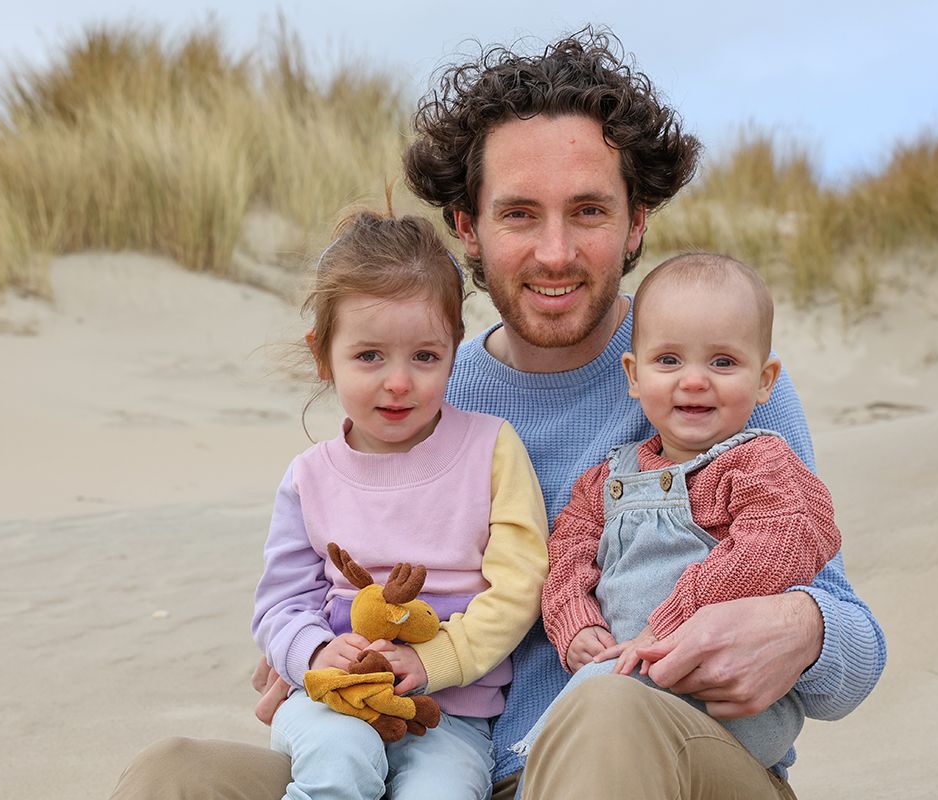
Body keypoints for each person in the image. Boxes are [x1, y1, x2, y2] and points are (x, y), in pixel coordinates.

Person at [107, 27, 885, 800]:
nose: (555, 252)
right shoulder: (423, 392)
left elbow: (854, 658)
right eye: (519, 215)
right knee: (174, 776)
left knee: (608, 708)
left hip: (671, 764)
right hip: (444, 762)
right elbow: (321, 588)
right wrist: (316, 651)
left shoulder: (716, 383)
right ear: (468, 227)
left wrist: (805, 629)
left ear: (636, 222)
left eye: (587, 211)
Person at [249, 208, 548, 800]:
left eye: (425, 357)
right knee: (340, 764)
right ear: (322, 355)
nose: (398, 382)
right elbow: (280, 604)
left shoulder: (491, 449)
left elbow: (519, 585)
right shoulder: (309, 478)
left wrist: (434, 660)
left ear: (454, 350)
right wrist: (315, 649)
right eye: (369, 357)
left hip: (451, 713)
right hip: (332, 699)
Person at [513, 252, 841, 774]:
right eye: (669, 361)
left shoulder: (759, 464)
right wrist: (574, 623)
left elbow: (779, 544)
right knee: (598, 715)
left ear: (764, 379)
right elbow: (566, 556)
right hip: (625, 683)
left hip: (723, 711)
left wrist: (672, 624)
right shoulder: (605, 481)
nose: (693, 381)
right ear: (634, 375)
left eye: (723, 362)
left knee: (597, 712)